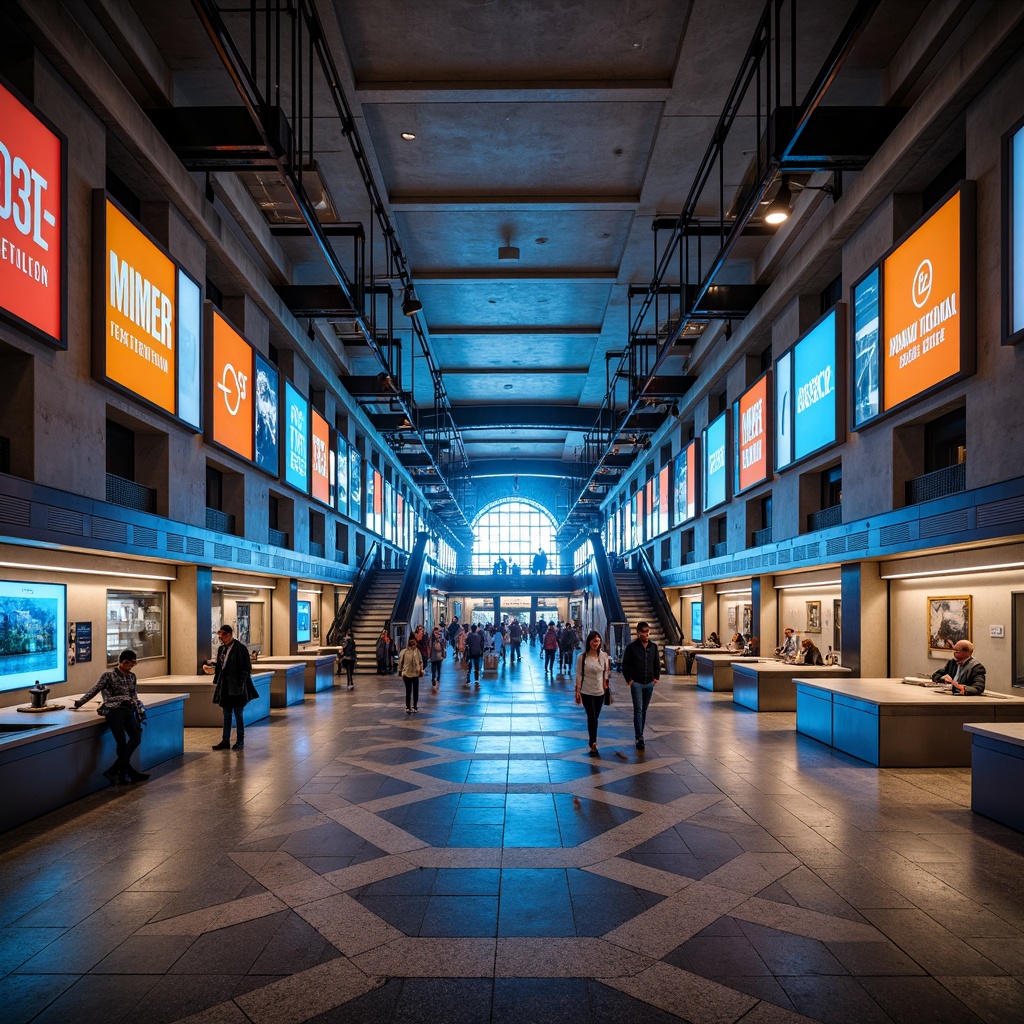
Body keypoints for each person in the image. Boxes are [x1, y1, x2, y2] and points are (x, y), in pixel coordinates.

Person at [73, 649, 150, 784]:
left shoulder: (132, 676)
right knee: (121, 743)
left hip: (128, 710)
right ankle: (124, 775)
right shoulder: (108, 675)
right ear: (124, 662)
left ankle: (114, 771)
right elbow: (95, 689)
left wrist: (139, 709)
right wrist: (80, 702)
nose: (131, 668)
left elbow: (134, 695)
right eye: (130, 665)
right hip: (114, 711)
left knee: (136, 737)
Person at [203, 624, 257, 750]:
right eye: (221, 636)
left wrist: (241, 682)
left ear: (230, 635)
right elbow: (221, 666)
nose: (223, 638)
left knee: (238, 713)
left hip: (237, 687)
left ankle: (240, 740)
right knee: (226, 713)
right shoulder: (222, 649)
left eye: (225, 635)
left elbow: (246, 667)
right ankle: (225, 740)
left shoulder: (240, 648)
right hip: (225, 687)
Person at [622, 620, 659, 751]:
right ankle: (639, 736)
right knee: (638, 710)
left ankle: (640, 734)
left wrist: (656, 678)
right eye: (643, 632)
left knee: (644, 710)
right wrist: (629, 680)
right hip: (636, 683)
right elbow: (624, 665)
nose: (646, 634)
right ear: (638, 633)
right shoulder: (631, 648)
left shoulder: (653, 647)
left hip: (649, 683)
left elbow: (656, 663)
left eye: (647, 631)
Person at [575, 630, 611, 755]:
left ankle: (592, 741)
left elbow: (606, 673)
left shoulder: (604, 656)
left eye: (598, 641)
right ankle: (593, 742)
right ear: (589, 641)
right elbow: (579, 674)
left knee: (595, 717)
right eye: (594, 641)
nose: (596, 643)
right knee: (592, 717)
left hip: (600, 692)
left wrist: (606, 686)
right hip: (586, 691)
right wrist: (577, 691)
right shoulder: (582, 657)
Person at [397, 635, 424, 712]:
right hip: (407, 674)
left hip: (415, 673)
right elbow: (400, 662)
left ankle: (415, 706)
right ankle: (408, 706)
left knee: (415, 691)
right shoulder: (404, 652)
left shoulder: (417, 651)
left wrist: (421, 670)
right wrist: (400, 671)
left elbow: (420, 661)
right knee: (408, 691)